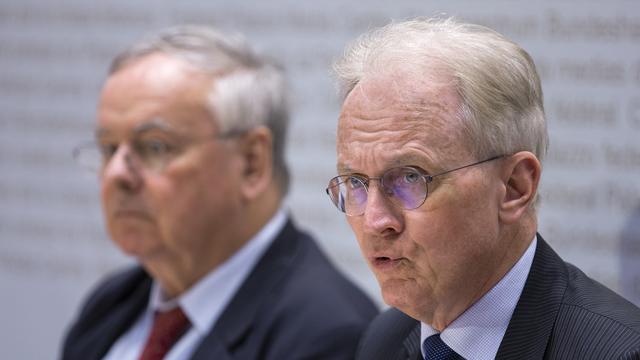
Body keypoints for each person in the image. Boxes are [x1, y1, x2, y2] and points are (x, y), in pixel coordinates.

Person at [326, 17, 640, 359]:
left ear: (514, 187)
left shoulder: (619, 352)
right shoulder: (385, 340)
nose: (374, 221)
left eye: (409, 177)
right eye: (355, 182)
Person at [62, 25, 377, 360]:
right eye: (109, 148)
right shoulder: (109, 305)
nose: (116, 174)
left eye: (154, 146)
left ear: (251, 163)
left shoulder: (327, 335)